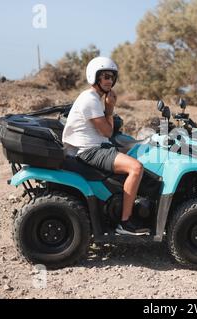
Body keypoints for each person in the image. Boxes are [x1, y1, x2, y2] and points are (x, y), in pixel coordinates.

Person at [62, 57, 149, 236]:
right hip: (89, 150)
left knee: (138, 151)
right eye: (105, 76)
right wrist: (109, 108)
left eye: (112, 77)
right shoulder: (90, 99)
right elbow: (107, 132)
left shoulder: (94, 98)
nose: (109, 80)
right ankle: (125, 223)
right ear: (95, 78)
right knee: (136, 167)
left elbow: (106, 132)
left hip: (96, 146)